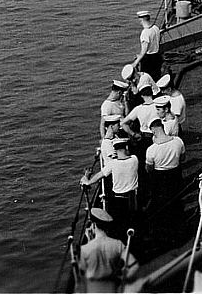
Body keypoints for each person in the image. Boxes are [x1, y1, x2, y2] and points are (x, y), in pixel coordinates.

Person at [73, 207, 138, 293]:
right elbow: (134, 266)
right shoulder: (118, 244)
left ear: (94, 225)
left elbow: (81, 278)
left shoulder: (85, 249)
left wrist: (89, 240)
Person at [82, 137, 140, 233]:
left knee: (118, 223)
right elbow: (128, 156)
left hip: (118, 199)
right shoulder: (134, 159)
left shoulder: (113, 164)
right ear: (126, 147)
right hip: (132, 198)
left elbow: (99, 175)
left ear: (115, 150)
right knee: (131, 220)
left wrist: (87, 180)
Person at [145, 118, 187, 246]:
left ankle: (164, 230)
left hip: (160, 176)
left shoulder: (151, 149)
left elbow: (149, 168)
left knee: (161, 202)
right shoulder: (178, 141)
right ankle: (179, 226)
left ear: (153, 130)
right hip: (175, 174)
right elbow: (183, 158)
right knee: (176, 199)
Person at [134, 10, 162, 81]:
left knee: (147, 79)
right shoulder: (156, 28)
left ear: (141, 20)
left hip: (148, 60)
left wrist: (135, 63)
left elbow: (144, 51)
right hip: (157, 56)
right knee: (156, 77)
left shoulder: (145, 33)